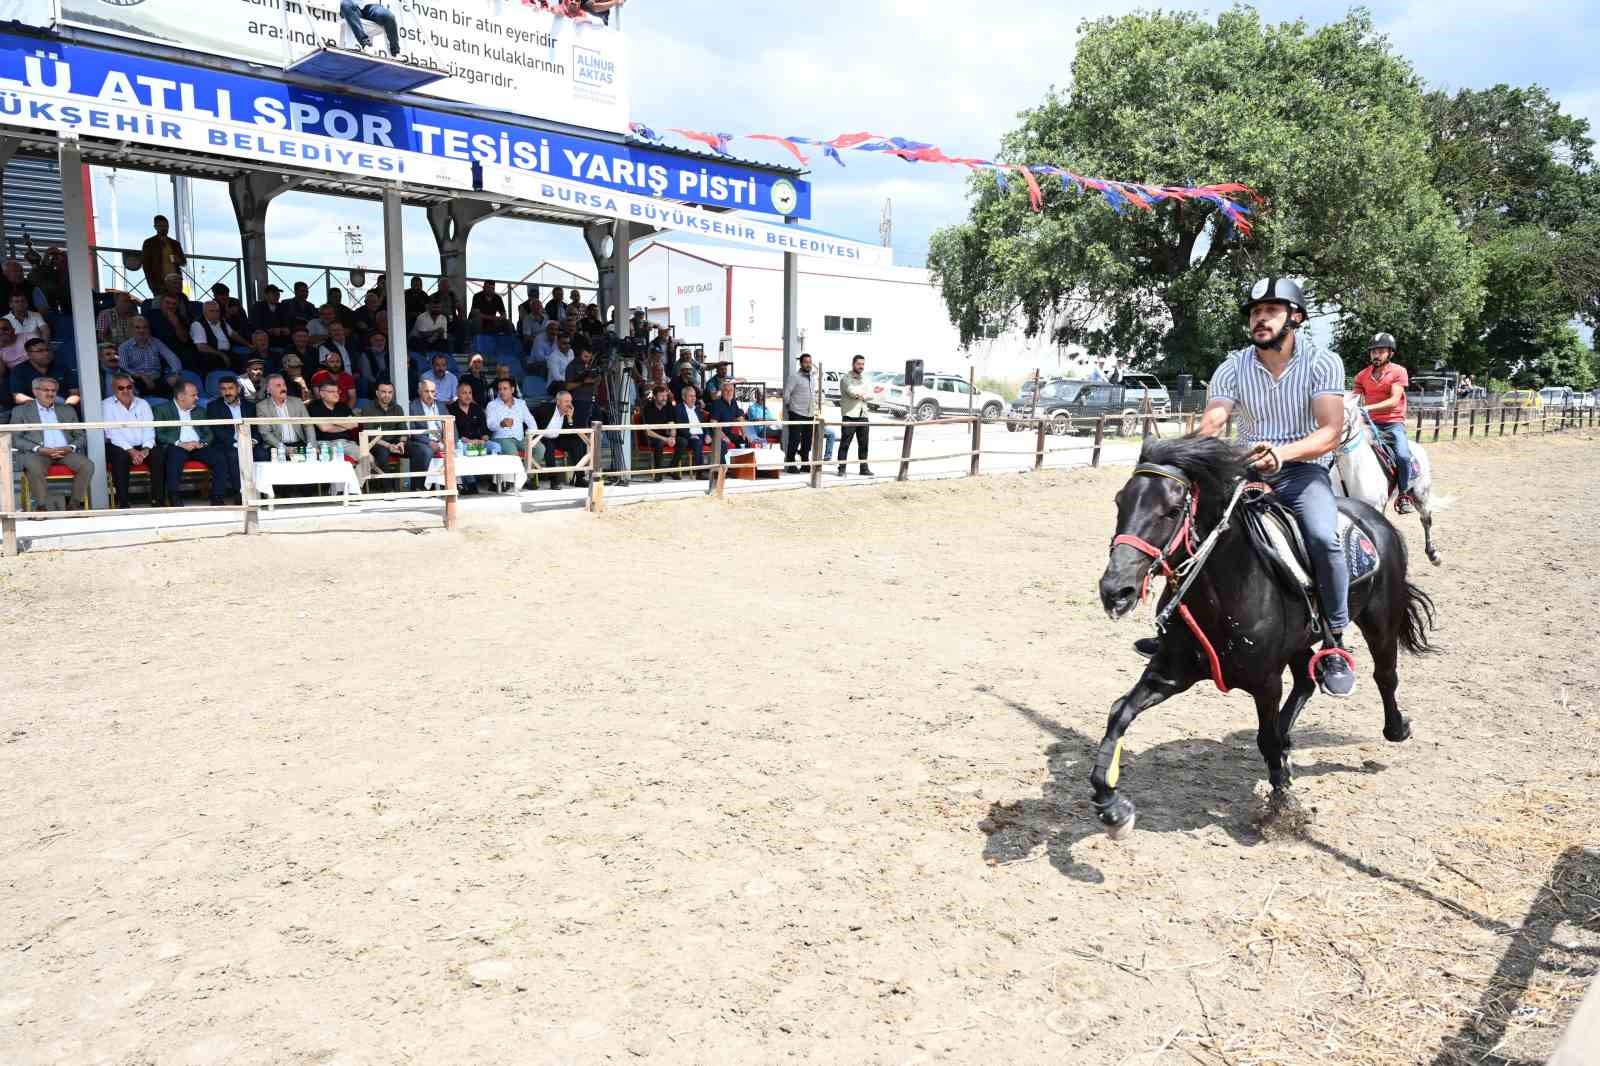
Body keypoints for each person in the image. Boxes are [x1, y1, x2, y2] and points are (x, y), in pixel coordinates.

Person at [1136, 277, 1356, 698]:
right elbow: (1215, 420)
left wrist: (1284, 454)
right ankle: (1172, 628)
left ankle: (1334, 640)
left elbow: (1330, 432)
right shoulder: (1233, 366)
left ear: (1296, 318)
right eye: (1255, 312)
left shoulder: (1323, 362)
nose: (1260, 318)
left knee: (1324, 539)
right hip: (1245, 470)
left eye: (1271, 311)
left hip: (1301, 471)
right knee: (1190, 527)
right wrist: (1192, 450)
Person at [1352, 332, 1414, 513]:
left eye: (1380, 351)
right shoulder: (1362, 376)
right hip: (1369, 424)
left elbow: (1394, 400)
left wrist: (1368, 409)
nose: (1376, 355)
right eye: (1373, 352)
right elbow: (1354, 398)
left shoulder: (1398, 372)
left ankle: (1403, 494)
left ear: (1390, 353)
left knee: (1402, 455)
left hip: (1393, 423)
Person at [10, 377, 93, 510]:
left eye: (53, 390)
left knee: (87, 465)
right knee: (33, 465)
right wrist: (38, 449)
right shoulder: (20, 411)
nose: (50, 393)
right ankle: (41, 506)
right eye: (46, 390)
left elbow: (81, 436)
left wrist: (70, 447)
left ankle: (74, 504)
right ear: (35, 391)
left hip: (65, 452)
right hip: (38, 453)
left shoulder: (67, 410)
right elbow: (15, 438)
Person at [151, 380, 228, 506]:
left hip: (198, 446)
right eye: (193, 395)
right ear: (181, 397)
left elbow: (208, 433)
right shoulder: (161, 410)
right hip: (176, 445)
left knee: (219, 458)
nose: (197, 398)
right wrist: (179, 443)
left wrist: (201, 443)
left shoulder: (200, 410)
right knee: (174, 458)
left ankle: (217, 496)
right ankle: (174, 497)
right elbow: (159, 433)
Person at [103, 373, 160, 507]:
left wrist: (146, 449)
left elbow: (149, 428)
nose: (126, 391)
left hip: (142, 445)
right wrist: (131, 451)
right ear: (113, 389)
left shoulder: (143, 403)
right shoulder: (106, 405)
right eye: (121, 388)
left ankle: (158, 499)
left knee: (158, 455)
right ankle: (123, 501)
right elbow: (112, 433)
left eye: (129, 387)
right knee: (120, 457)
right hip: (119, 446)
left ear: (133, 387)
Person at [205, 374, 256, 497]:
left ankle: (264, 492)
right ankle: (240, 494)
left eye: (230, 388)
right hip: (226, 443)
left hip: (249, 443)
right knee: (233, 454)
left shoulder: (249, 406)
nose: (227, 392)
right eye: (223, 389)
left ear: (238, 389)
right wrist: (238, 442)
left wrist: (253, 441)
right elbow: (217, 431)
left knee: (262, 453)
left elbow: (255, 428)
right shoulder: (213, 407)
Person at [447, 381, 496, 494]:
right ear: (457, 394)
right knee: (464, 451)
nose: (468, 396)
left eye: (470, 393)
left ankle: (495, 482)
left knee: (496, 447)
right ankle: (471, 484)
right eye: (464, 393)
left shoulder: (476, 408)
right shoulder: (450, 409)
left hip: (479, 441)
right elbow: (452, 431)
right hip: (462, 442)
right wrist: (466, 440)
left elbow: (485, 428)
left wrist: (484, 438)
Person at [358, 381, 409, 489]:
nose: (387, 395)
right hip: (376, 444)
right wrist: (388, 446)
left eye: (390, 392)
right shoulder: (368, 408)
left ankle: (418, 488)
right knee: (382, 453)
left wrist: (402, 442)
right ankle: (388, 489)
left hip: (396, 442)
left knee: (420, 450)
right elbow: (369, 435)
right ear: (377, 393)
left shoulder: (397, 408)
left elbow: (403, 430)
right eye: (384, 392)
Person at [306, 379, 365, 471]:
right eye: (332, 391)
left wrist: (331, 422)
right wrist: (345, 424)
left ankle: (354, 485)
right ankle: (351, 485)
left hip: (346, 443)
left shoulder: (343, 406)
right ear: (322, 394)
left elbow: (354, 424)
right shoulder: (314, 407)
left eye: (338, 391)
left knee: (367, 459)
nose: (336, 394)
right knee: (340, 466)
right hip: (325, 444)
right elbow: (324, 428)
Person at [117, 316, 181, 398]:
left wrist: (175, 373)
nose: (141, 330)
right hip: (137, 382)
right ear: (132, 329)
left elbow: (172, 357)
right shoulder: (124, 347)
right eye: (137, 327)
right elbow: (123, 368)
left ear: (148, 329)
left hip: (158, 381)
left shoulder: (156, 342)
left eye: (145, 327)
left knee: (175, 385)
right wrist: (141, 376)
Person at [533, 389, 588, 486]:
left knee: (578, 443)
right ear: (558, 402)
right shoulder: (546, 408)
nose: (569, 404)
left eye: (570, 401)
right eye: (566, 401)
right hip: (543, 437)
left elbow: (573, 434)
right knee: (549, 447)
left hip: (558, 438)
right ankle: (553, 480)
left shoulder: (569, 413)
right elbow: (532, 420)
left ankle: (579, 478)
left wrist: (570, 419)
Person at [255, 373, 315, 459]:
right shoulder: (262, 407)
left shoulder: (297, 402)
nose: (283, 388)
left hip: (299, 444)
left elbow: (308, 425)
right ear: (268, 390)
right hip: (276, 446)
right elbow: (265, 433)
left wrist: (311, 446)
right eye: (278, 386)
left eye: (284, 385)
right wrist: (284, 449)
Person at [10, 338, 78, 406]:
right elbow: (18, 397)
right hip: (34, 409)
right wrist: (43, 405)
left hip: (63, 407)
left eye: (48, 350)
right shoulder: (19, 370)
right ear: (29, 354)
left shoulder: (62, 367)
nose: (46, 353)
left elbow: (75, 393)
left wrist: (67, 406)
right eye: (40, 351)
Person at [406, 378, 447, 492]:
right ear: (419, 392)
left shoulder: (441, 405)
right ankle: (419, 487)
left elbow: (450, 425)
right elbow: (413, 431)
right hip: (422, 441)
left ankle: (454, 484)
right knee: (425, 451)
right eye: (426, 391)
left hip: (442, 440)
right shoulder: (413, 406)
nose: (430, 394)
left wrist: (449, 440)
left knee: (457, 449)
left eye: (432, 391)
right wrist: (429, 442)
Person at [485, 377, 540, 460]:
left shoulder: (521, 403)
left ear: (512, 390)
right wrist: (501, 424)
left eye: (505, 389)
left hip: (521, 438)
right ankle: (520, 472)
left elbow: (531, 421)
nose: (502, 392)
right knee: (513, 454)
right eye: (500, 389)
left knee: (540, 449)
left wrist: (530, 436)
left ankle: (527, 472)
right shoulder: (492, 405)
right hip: (501, 438)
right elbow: (490, 425)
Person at [837, 354, 873, 476]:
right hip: (850, 415)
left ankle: (864, 468)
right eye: (859, 364)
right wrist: (863, 394)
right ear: (853, 364)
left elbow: (871, 394)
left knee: (864, 444)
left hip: (863, 414)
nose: (861, 366)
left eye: (863, 364)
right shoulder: (846, 378)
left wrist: (863, 394)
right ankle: (841, 469)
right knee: (845, 443)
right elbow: (851, 392)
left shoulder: (866, 379)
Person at [783, 352, 816, 474]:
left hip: (809, 414)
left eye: (810, 362)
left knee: (807, 440)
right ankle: (791, 464)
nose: (808, 364)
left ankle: (805, 463)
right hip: (796, 412)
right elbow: (787, 394)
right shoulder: (794, 377)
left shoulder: (812, 377)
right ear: (801, 363)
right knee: (795, 439)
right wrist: (790, 407)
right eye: (806, 362)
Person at [635, 384, 678, 479]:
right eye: (661, 396)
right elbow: (647, 432)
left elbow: (672, 424)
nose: (664, 398)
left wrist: (672, 437)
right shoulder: (647, 408)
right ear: (654, 397)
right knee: (660, 443)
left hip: (665, 436)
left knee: (682, 441)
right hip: (650, 437)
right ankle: (658, 473)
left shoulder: (668, 406)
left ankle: (672, 469)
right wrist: (666, 439)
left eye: (665, 395)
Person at [706, 379, 756, 457]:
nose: (729, 392)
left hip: (728, 434)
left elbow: (740, 418)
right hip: (716, 435)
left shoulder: (733, 402)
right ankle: (722, 468)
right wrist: (723, 437)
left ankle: (741, 466)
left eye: (731, 390)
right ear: (722, 392)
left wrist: (745, 432)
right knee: (723, 444)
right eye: (726, 390)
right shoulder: (717, 403)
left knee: (744, 440)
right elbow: (713, 424)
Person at [140, 215, 185, 298]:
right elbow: (146, 266)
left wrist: (178, 260)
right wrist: (152, 285)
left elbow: (184, 262)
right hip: (159, 283)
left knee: (177, 304)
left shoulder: (175, 244)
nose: (164, 228)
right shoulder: (149, 243)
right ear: (155, 227)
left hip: (175, 282)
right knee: (160, 304)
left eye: (166, 226)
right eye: (161, 226)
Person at [190, 300, 242, 373]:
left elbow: (233, 335)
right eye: (212, 311)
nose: (215, 313)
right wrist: (221, 354)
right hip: (209, 356)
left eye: (217, 311)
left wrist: (249, 345)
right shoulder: (198, 324)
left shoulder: (222, 322)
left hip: (227, 353)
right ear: (204, 312)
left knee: (242, 362)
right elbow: (201, 347)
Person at [672, 384, 710, 477]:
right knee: (697, 442)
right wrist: (690, 435)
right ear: (684, 397)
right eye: (690, 396)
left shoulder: (697, 409)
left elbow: (704, 424)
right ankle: (700, 472)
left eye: (694, 396)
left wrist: (708, 434)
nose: (693, 399)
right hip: (688, 436)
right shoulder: (678, 409)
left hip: (701, 435)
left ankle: (719, 470)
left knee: (720, 442)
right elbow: (679, 426)